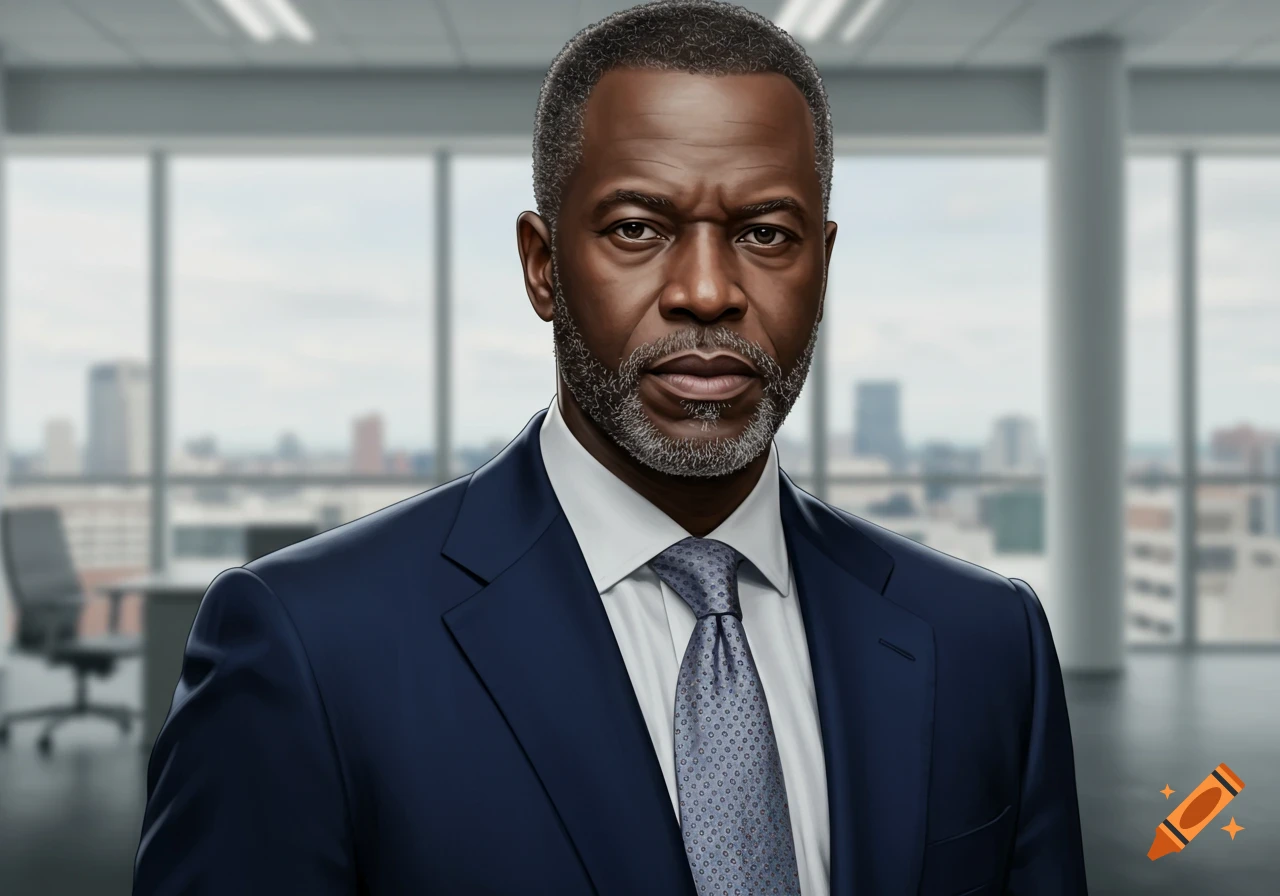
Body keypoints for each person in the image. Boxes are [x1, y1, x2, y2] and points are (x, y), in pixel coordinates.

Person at [132, 2, 1087, 894]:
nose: (708, 291)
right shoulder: (309, 648)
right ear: (544, 267)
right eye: (638, 229)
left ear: (823, 266)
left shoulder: (984, 641)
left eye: (764, 232)